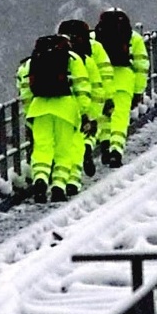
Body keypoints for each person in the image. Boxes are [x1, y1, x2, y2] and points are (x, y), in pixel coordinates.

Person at [16, 34, 92, 203]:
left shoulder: (30, 63)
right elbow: (82, 88)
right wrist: (84, 113)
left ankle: (40, 181)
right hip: (66, 109)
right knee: (63, 151)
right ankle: (58, 186)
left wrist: (30, 116)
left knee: (42, 149)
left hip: (39, 109)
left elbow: (25, 92)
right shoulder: (73, 59)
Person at [92, 8, 150, 168]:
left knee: (103, 115)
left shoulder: (94, 37)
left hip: (102, 81)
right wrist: (138, 91)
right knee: (120, 118)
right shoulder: (134, 38)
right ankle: (116, 150)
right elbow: (142, 66)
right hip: (124, 81)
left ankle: (105, 144)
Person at [57, 19, 109, 192]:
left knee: (67, 142)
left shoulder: (60, 54)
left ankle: (59, 178)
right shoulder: (91, 53)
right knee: (88, 132)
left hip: (64, 101)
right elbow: (102, 77)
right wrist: (106, 99)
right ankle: (75, 175)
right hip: (88, 96)